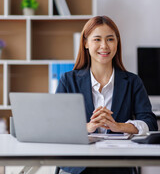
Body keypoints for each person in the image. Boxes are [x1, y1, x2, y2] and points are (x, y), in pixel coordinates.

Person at [56, 15, 158, 174]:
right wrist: (88, 128)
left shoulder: (132, 82)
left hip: (118, 166)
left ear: (117, 43)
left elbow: (150, 123)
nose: (104, 46)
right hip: (77, 166)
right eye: (97, 39)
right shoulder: (68, 80)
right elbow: (57, 127)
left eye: (110, 39)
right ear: (85, 43)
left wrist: (118, 126)